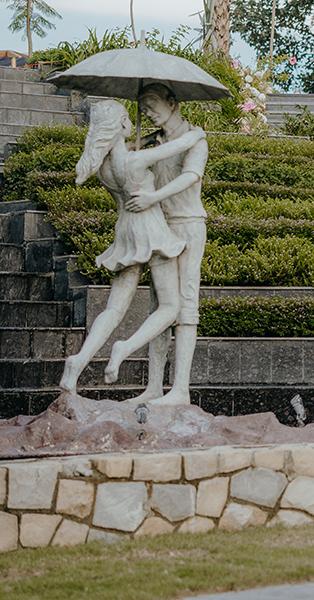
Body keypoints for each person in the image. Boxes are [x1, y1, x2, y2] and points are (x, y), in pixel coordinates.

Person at [59, 100, 206, 395]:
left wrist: (139, 138)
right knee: (171, 306)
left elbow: (144, 151)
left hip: (125, 233)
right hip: (152, 233)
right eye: (130, 116)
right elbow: (183, 144)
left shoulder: (103, 166)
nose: (143, 115)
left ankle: (78, 361)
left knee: (114, 308)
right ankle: (124, 348)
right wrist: (196, 134)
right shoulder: (136, 160)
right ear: (122, 125)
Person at [126, 83, 209, 406]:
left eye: (151, 105)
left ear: (172, 103)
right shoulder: (153, 141)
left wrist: (152, 198)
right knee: (159, 307)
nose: (147, 112)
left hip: (188, 226)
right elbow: (120, 151)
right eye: (142, 108)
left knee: (186, 306)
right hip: (160, 229)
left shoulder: (196, 139)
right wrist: (131, 137)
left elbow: (190, 176)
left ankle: (181, 390)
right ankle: (153, 387)